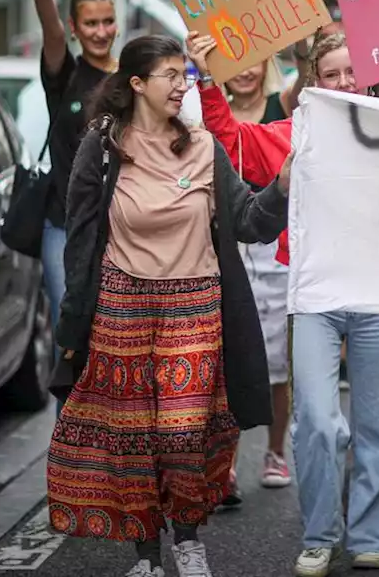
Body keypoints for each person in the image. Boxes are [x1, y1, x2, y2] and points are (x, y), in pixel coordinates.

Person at [46, 35, 291, 577]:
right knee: (135, 440)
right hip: (122, 309)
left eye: (186, 75)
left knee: (182, 432)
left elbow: (249, 221)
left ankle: (188, 538)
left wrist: (283, 186)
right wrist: (71, 320)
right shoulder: (103, 145)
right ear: (137, 85)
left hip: (195, 307)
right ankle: (145, 555)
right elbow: (81, 235)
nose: (185, 86)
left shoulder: (205, 147)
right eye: (173, 76)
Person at [190, 30, 379, 577]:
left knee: (378, 426)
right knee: (315, 419)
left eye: (353, 72)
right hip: (315, 297)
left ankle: (368, 536)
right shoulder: (292, 135)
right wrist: (208, 77)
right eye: (331, 74)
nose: (343, 82)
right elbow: (227, 139)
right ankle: (319, 534)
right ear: (313, 82)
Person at [13, 0, 117, 369]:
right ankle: (66, 436)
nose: (101, 31)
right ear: (75, 28)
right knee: (69, 338)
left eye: (108, 21)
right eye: (90, 23)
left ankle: (107, 435)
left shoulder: (131, 77)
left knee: (113, 339)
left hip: (121, 227)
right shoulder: (67, 75)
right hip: (64, 226)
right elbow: (49, 30)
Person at [218, 56, 295, 495]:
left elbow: (307, 78)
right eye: (234, 62)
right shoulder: (207, 109)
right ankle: (225, 461)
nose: (244, 69)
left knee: (277, 362)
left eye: (252, 60)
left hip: (273, 245)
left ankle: (275, 451)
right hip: (229, 243)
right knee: (230, 355)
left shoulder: (282, 103)